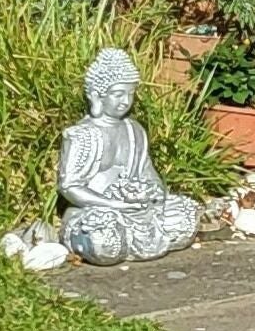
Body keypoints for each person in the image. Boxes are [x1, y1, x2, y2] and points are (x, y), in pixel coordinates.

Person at [57, 47, 199, 263]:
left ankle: (134, 238)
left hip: (138, 210)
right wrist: (115, 205)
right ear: (96, 95)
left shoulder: (134, 130)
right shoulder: (82, 135)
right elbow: (70, 187)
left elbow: (147, 172)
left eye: (130, 94)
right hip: (98, 211)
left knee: (185, 216)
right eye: (117, 94)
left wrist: (153, 195)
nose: (125, 101)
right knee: (103, 241)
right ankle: (111, 241)